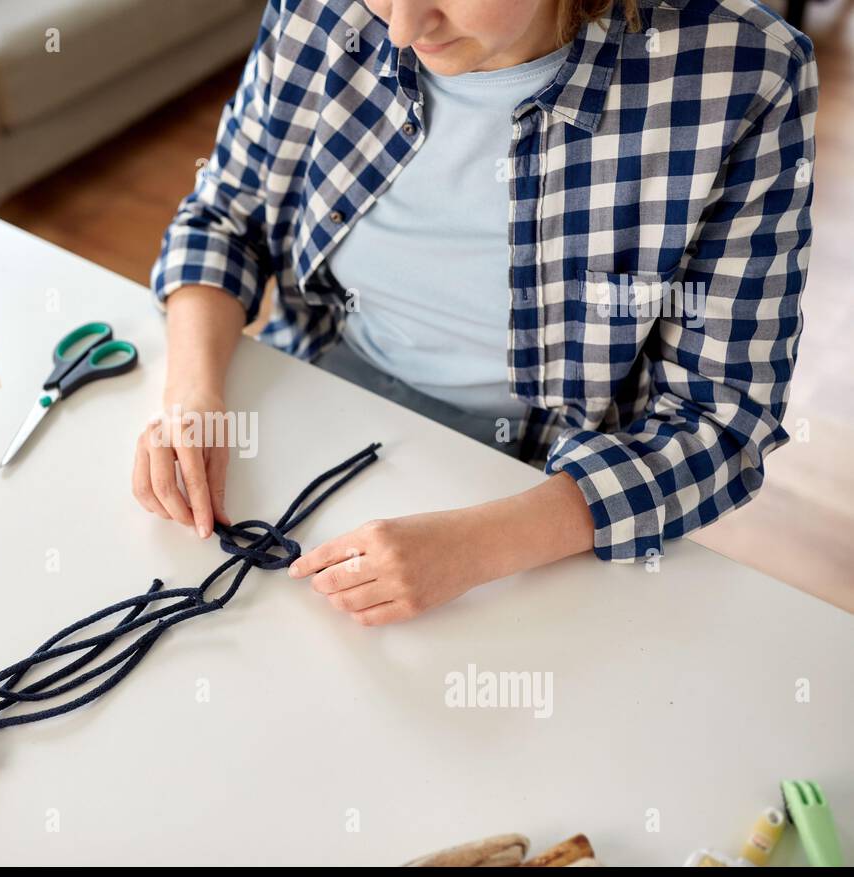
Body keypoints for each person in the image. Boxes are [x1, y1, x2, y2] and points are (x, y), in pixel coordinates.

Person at [133, 0, 817, 626]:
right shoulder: (327, 10)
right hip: (318, 387)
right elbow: (225, 218)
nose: (400, 30)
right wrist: (191, 396)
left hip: (550, 484)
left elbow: (722, 419)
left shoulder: (741, 74)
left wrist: (477, 547)